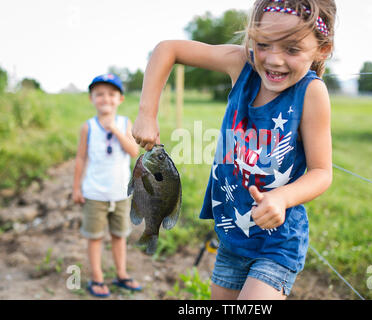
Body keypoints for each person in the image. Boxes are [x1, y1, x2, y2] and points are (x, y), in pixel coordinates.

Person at [132, 0, 335, 300]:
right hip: (231, 234)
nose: (274, 60)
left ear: (322, 50)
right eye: (264, 44)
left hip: (277, 243)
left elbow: (322, 172)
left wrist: (281, 198)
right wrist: (147, 113)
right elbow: (167, 49)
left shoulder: (311, 93)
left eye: (291, 49)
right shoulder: (242, 64)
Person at [72, 73, 141, 297]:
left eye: (111, 94)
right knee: (95, 237)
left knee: (119, 235)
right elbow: (81, 158)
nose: (105, 99)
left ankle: (122, 274)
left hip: (120, 193)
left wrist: (116, 131)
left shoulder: (124, 123)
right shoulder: (88, 127)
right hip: (94, 193)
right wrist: (76, 188)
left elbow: (134, 151)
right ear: (91, 98)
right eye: (99, 94)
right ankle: (97, 278)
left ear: (120, 99)